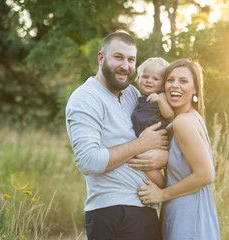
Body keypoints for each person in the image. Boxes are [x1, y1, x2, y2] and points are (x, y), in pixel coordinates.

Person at [65, 31, 169, 240]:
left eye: (131, 59)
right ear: (101, 58)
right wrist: (141, 145)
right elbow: (89, 161)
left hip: (145, 208)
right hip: (112, 211)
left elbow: (155, 135)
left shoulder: (132, 94)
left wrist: (163, 157)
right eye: (118, 57)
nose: (125, 65)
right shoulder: (85, 98)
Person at [137, 59, 220, 240]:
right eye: (170, 80)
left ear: (195, 89)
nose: (175, 86)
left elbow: (206, 175)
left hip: (189, 216)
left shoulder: (184, 122)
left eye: (183, 81)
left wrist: (162, 194)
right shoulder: (183, 120)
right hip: (181, 211)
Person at [131, 57, 174, 188]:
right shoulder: (140, 98)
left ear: (162, 84)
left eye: (155, 79)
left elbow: (169, 114)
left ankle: (165, 188)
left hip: (157, 140)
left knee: (148, 167)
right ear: (139, 78)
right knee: (142, 165)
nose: (149, 81)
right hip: (144, 141)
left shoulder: (161, 96)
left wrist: (160, 100)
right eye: (145, 76)